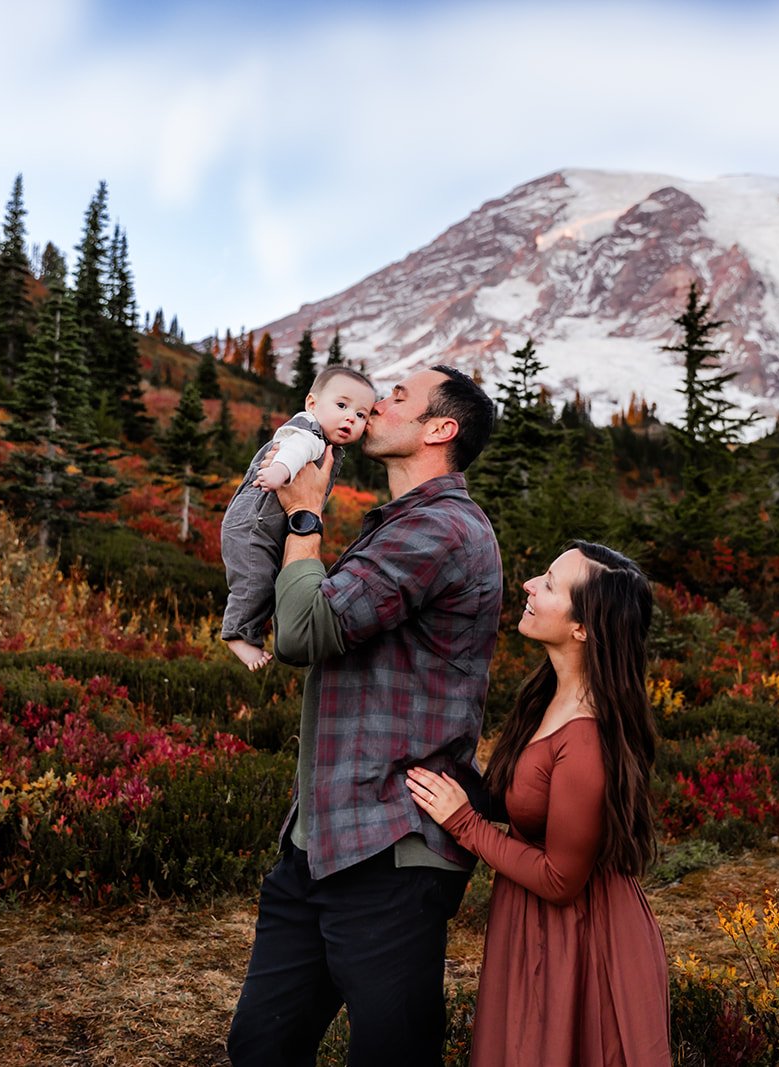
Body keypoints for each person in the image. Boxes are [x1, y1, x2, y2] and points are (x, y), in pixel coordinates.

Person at [226, 366, 503, 1067]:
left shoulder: (441, 528)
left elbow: (302, 633)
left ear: (440, 430)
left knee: (390, 1056)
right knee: (260, 1047)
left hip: (390, 850)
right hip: (319, 844)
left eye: (401, 397)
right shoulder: (400, 524)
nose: (379, 402)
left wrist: (305, 516)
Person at [407, 541, 671, 1067]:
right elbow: (528, 801)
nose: (528, 585)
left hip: (583, 938)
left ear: (584, 628)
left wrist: (465, 823)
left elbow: (560, 879)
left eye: (549, 584)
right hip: (538, 926)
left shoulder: (588, 737)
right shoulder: (549, 692)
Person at [218, 365, 377, 670]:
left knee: (272, 582)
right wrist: (280, 471)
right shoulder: (309, 432)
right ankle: (237, 635)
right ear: (312, 404)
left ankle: (253, 629)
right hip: (253, 526)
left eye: (361, 415)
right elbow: (294, 449)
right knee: (254, 582)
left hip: (266, 526)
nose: (350, 418)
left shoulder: (326, 442)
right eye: (342, 406)